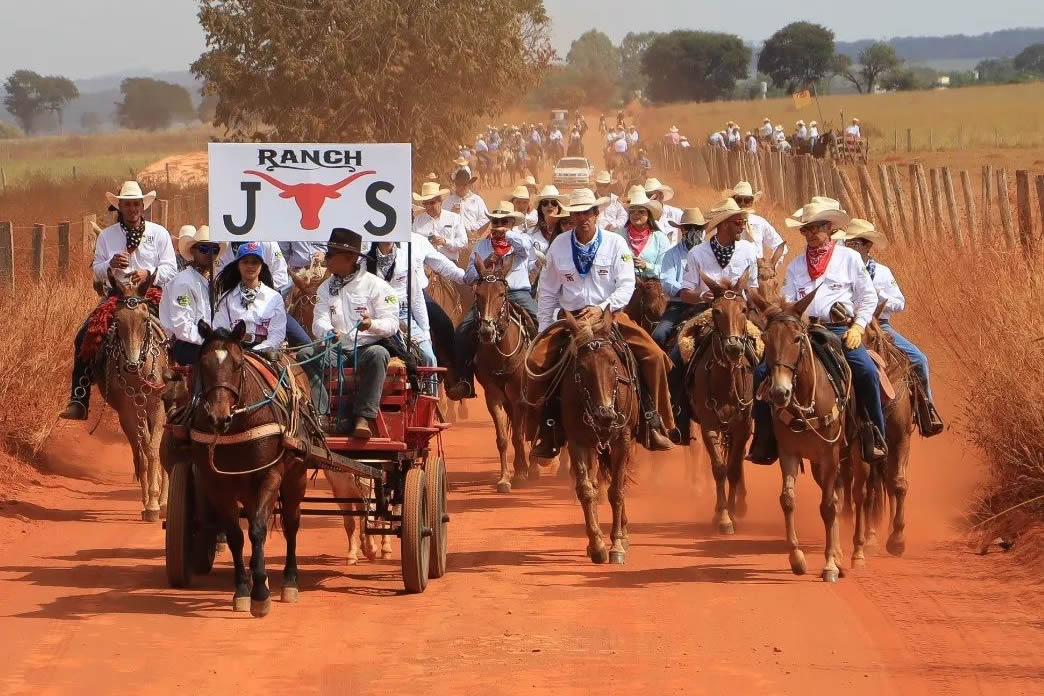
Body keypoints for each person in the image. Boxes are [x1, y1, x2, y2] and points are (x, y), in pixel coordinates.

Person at [529, 188, 676, 454]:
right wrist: (544, 328)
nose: (583, 217)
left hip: (612, 315)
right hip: (571, 318)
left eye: (588, 212)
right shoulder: (558, 246)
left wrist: (602, 309)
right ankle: (547, 428)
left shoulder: (616, 244)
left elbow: (627, 282)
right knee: (535, 362)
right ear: (571, 216)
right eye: (577, 213)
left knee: (654, 356)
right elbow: (548, 291)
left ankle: (651, 421)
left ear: (596, 214)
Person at [747, 201, 887, 464]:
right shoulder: (797, 265)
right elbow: (788, 300)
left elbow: (867, 297)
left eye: (817, 227)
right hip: (805, 331)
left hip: (841, 330)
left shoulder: (850, 258)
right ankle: (764, 438)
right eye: (806, 229)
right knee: (761, 373)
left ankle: (875, 433)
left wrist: (858, 326)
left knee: (867, 371)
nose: (811, 233)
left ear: (830, 228)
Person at [60, 181, 177, 420]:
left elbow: (171, 269)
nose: (133, 208)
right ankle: (79, 398)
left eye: (136, 204)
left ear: (142, 206)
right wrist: (110, 264)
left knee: (178, 334)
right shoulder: (106, 236)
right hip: (116, 295)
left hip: (150, 294)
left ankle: (179, 394)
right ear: (119, 207)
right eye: (128, 204)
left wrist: (149, 273)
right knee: (86, 335)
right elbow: (96, 271)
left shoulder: (159, 233)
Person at [832, 219, 944, 436]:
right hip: (844, 325)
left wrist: (877, 296)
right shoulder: (838, 270)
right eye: (848, 243)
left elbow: (899, 302)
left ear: (868, 246)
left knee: (920, 359)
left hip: (879, 326)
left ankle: (925, 410)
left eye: (855, 243)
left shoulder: (882, 272)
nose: (850, 247)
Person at [667, 199, 760, 443]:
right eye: (738, 222)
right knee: (676, 358)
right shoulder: (698, 253)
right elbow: (685, 291)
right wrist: (702, 295)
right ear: (723, 225)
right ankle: (678, 417)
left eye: (742, 221)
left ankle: (764, 422)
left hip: (738, 315)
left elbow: (753, 289)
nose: (742, 226)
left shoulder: (749, 251)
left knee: (766, 357)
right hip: (704, 313)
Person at [313, 228, 401, 439]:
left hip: (365, 348)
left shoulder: (376, 286)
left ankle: (363, 417)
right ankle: (321, 414)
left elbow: (392, 324)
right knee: (305, 355)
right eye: (328, 253)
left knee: (379, 354)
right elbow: (318, 321)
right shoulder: (325, 288)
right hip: (336, 348)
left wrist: (371, 324)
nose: (327, 259)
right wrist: (328, 330)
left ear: (350, 257)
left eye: (331, 254)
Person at [446, 202, 537, 401]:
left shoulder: (521, 240)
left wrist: (507, 234)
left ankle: (541, 377)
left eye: (504, 221)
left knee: (539, 322)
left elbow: (526, 248)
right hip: (488, 294)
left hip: (516, 292)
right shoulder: (481, 246)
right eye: (495, 222)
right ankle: (465, 379)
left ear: (512, 223)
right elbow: (469, 277)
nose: (499, 225)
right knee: (463, 330)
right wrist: (486, 263)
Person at [363, 231, 465, 372]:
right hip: (377, 315)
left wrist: (464, 277)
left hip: (407, 307)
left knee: (440, 332)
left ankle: (454, 377)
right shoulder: (364, 254)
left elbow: (439, 266)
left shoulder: (413, 246)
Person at [159, 225, 225, 366]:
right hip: (188, 344)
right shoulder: (183, 282)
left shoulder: (214, 281)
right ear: (192, 250)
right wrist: (211, 341)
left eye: (214, 249)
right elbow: (182, 326)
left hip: (211, 340)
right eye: (203, 249)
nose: (209, 253)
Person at [213, 242, 287, 355]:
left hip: (264, 352)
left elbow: (277, 334)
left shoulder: (275, 298)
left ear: (262, 266)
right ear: (238, 265)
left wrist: (255, 351)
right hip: (232, 352)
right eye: (245, 262)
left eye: (255, 262)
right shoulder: (226, 298)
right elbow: (220, 330)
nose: (250, 266)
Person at [654, 208, 706, 348]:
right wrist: (686, 292)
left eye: (698, 228)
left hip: (705, 304)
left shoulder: (709, 253)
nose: (694, 231)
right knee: (658, 335)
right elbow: (667, 281)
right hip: (679, 305)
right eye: (689, 228)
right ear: (682, 229)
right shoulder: (671, 254)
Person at [619, 186, 670, 280]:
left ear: (649, 214)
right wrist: (627, 261)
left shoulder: (660, 238)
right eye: (632, 211)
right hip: (622, 285)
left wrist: (646, 266)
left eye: (641, 211)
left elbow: (665, 269)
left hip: (650, 288)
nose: (636, 214)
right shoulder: (619, 235)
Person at [729, 181, 787, 262]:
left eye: (747, 200)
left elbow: (780, 245)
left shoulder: (760, 223)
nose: (742, 203)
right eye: (739, 200)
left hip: (757, 273)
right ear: (733, 201)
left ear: (752, 202)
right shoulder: (726, 224)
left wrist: (772, 266)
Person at [413, 180, 468, 260]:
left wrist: (445, 242)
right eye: (425, 203)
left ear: (440, 202)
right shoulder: (418, 220)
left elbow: (464, 242)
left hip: (450, 263)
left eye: (432, 203)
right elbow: (413, 244)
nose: (428, 207)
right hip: (426, 265)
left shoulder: (454, 218)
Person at [443, 163, 490, 239]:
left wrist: (475, 231)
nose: (461, 187)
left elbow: (486, 218)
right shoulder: (447, 202)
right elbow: (441, 222)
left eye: (464, 184)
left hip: (471, 239)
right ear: (455, 184)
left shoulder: (477, 200)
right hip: (453, 240)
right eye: (459, 184)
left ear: (469, 184)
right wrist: (451, 214)